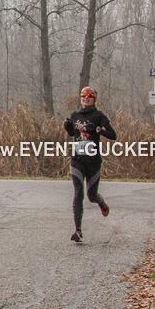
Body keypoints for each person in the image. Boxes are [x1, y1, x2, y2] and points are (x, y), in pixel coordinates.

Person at [63, 86, 116, 243]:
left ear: (94, 99)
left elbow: (113, 135)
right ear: (80, 98)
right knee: (78, 193)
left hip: (93, 162)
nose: (86, 98)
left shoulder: (99, 115)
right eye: (83, 95)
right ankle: (78, 231)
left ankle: (101, 202)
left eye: (89, 96)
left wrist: (98, 130)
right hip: (77, 159)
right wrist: (68, 128)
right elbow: (74, 134)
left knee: (91, 196)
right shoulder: (75, 115)